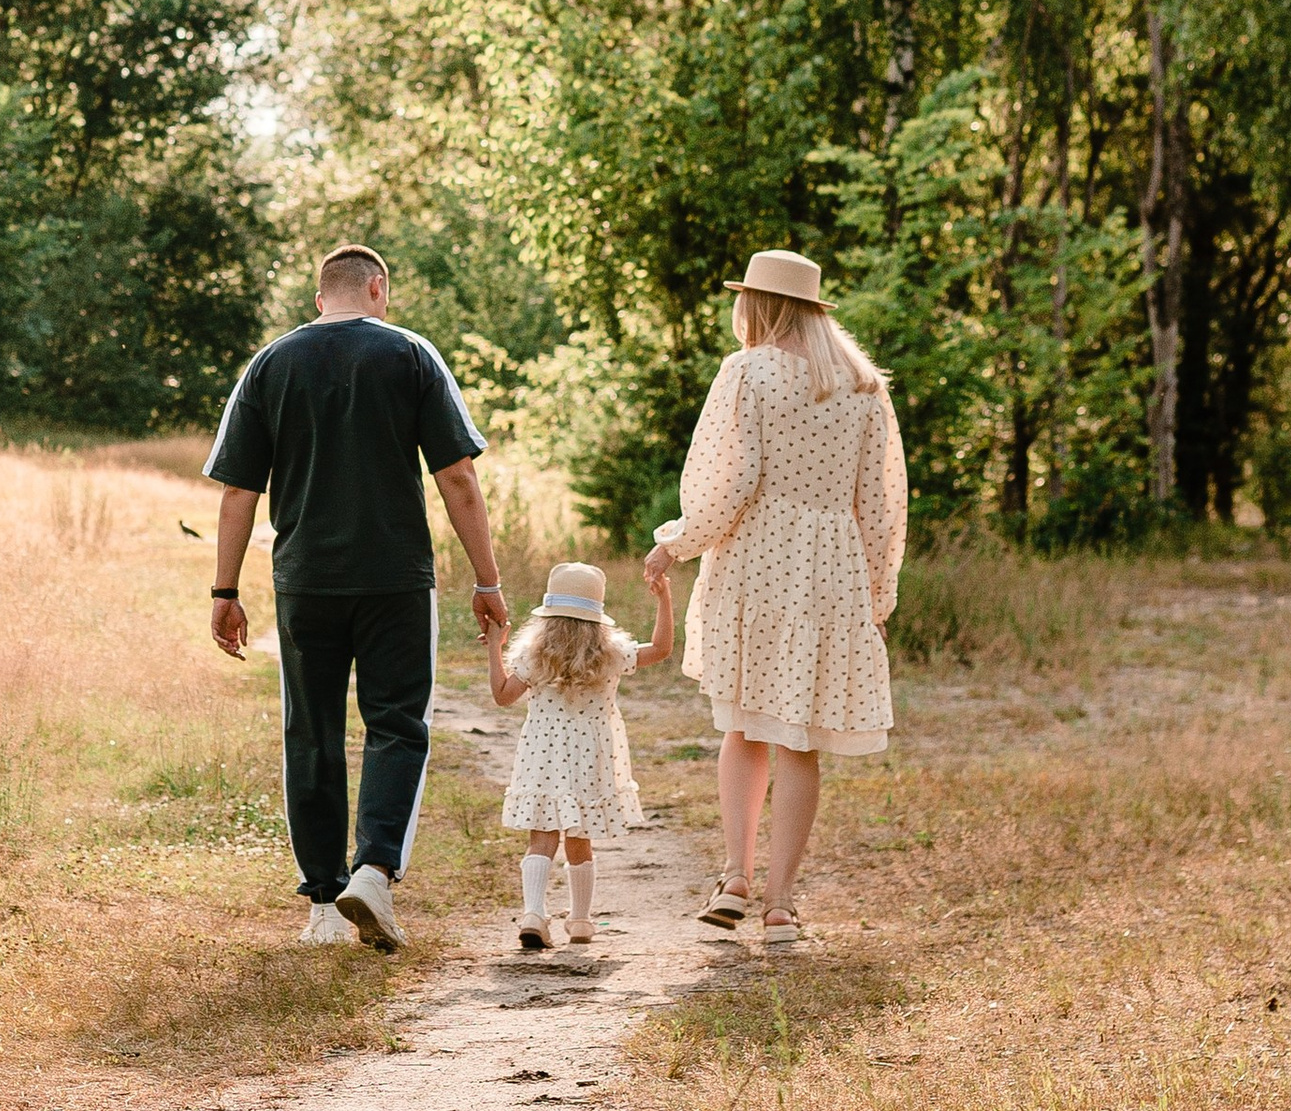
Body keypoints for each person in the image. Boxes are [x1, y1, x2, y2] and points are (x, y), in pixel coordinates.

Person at [206, 243, 507, 949]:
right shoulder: (410, 354)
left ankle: (320, 907)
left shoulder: (271, 363)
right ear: (378, 288)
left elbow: (237, 492)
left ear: (320, 298)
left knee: (309, 731)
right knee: (397, 724)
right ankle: (372, 871)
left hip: (305, 580)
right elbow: (457, 477)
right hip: (396, 578)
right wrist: (487, 579)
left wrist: (225, 590)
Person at [646, 249, 907, 956]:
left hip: (759, 560)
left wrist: (676, 541)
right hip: (831, 570)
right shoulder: (862, 384)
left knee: (744, 725)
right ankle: (782, 907)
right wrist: (877, 595)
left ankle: (734, 878)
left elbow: (727, 481)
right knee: (801, 737)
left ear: (759, 304)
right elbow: (882, 503)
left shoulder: (747, 372)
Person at [481, 554, 673, 949]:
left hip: (543, 753)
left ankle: (534, 913)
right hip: (591, 754)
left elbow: (503, 696)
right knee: (579, 836)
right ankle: (581, 920)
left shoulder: (534, 655)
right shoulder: (612, 653)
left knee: (542, 835)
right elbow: (661, 648)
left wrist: (495, 648)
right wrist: (664, 599)